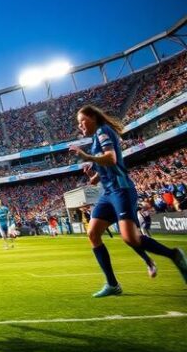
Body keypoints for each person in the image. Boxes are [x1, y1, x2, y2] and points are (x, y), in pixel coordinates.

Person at [69, 105, 187, 297]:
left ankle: (174, 255)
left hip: (121, 190)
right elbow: (101, 173)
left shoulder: (103, 132)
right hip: (108, 193)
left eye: (82, 121)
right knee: (93, 233)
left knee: (130, 238)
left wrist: (86, 156)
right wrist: (93, 176)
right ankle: (112, 284)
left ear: (93, 118)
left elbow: (111, 159)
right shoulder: (96, 139)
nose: (80, 126)